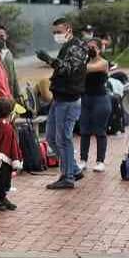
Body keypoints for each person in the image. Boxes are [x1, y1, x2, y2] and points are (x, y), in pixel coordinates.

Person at [36, 18, 89, 189]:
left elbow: (69, 69)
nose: (56, 35)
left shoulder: (78, 47)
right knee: (51, 138)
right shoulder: (68, 46)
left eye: (59, 32)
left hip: (69, 100)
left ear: (68, 29)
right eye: (54, 32)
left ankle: (68, 177)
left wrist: (49, 60)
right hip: (59, 99)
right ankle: (73, 169)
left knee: (63, 139)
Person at [78, 38, 112, 172]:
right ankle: (83, 160)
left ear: (99, 49)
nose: (90, 50)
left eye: (93, 47)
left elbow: (88, 69)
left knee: (100, 131)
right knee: (84, 131)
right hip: (85, 99)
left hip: (100, 99)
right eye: (88, 47)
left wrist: (77, 66)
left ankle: (100, 161)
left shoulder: (103, 63)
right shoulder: (84, 62)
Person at [0, 24, 21, 101]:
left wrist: (18, 96)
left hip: (9, 97)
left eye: (1, 36)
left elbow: (13, 76)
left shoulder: (8, 54)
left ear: (6, 36)